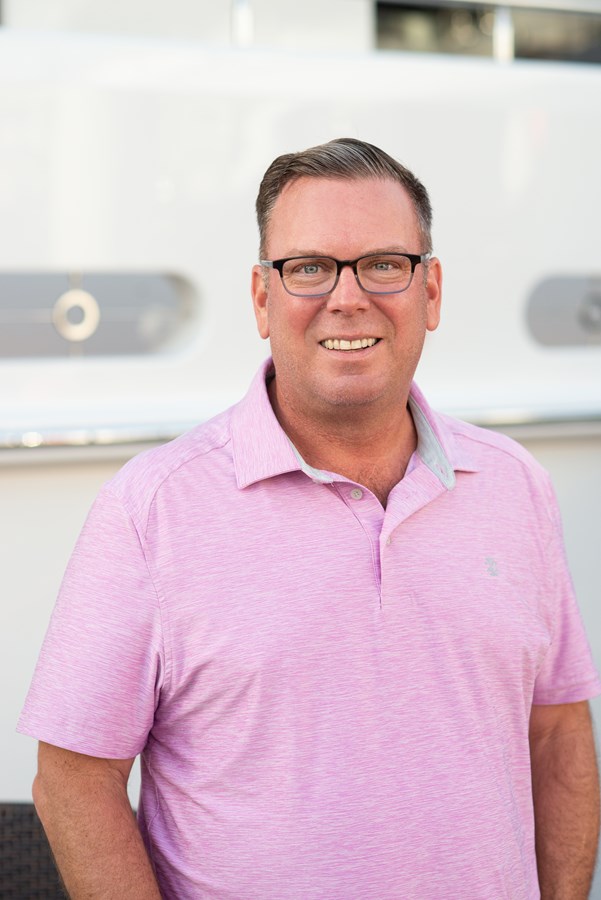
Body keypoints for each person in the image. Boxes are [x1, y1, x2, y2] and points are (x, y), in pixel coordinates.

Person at [19, 138, 600, 899]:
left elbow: (557, 731)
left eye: (384, 264)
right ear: (263, 299)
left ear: (430, 292)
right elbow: (73, 781)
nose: (347, 298)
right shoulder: (151, 509)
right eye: (308, 268)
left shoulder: (514, 485)